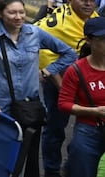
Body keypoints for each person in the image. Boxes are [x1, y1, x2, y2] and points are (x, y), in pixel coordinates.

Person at [0, 0, 76, 177]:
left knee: (29, 156)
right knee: (0, 156)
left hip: (30, 107)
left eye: (22, 12)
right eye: (12, 13)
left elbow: (68, 53)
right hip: (0, 107)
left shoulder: (34, 32)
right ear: (0, 13)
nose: (18, 17)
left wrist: (47, 71)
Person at [35, 0, 101, 177]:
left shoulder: (94, 18)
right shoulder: (56, 25)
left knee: (88, 125)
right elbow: (45, 58)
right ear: (69, 0)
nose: (89, 4)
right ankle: (52, 169)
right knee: (56, 128)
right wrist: (64, 91)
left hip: (87, 80)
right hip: (59, 80)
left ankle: (74, 161)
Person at [58, 16, 105, 177]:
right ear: (89, 40)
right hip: (89, 130)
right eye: (102, 39)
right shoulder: (76, 70)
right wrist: (95, 112)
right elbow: (64, 104)